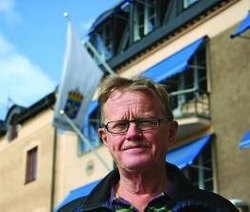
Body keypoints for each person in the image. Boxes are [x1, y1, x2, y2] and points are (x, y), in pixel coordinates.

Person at [60, 75, 238, 211]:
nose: (132, 134)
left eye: (146, 122)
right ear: (105, 138)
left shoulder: (217, 209)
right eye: (120, 125)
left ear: (170, 131)